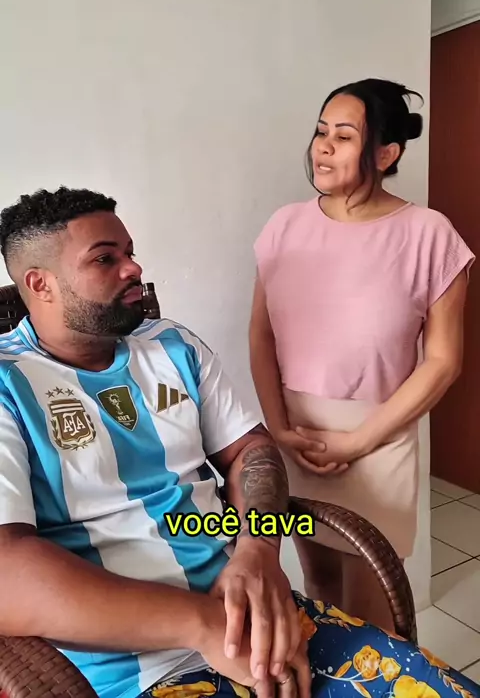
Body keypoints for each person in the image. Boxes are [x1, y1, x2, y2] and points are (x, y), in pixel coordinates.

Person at [0, 187, 477, 698]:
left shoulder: (172, 346)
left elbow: (251, 450)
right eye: (105, 259)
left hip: (260, 618)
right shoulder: (9, 383)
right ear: (40, 284)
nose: (133, 268)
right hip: (133, 673)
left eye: (130, 252)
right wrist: (203, 625)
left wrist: (259, 549)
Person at [250, 79, 475, 629]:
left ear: (385, 153)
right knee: (320, 588)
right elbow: (262, 336)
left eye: (344, 136)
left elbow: (444, 361)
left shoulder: (429, 235)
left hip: (378, 438)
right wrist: (279, 428)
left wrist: (359, 441)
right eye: (321, 131)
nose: (323, 147)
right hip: (296, 434)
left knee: (371, 610)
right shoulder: (284, 226)